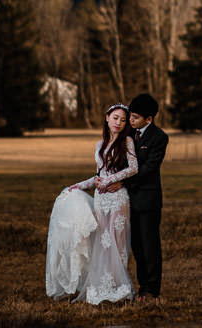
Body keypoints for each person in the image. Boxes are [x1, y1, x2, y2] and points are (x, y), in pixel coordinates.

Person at [66, 103, 138, 304]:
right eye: (115, 118)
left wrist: (109, 181)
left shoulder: (127, 142)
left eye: (123, 120)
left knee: (117, 242)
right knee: (102, 244)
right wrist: (80, 185)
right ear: (107, 118)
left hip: (118, 199)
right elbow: (99, 175)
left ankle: (119, 288)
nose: (119, 123)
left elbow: (133, 168)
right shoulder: (99, 145)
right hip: (101, 200)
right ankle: (100, 287)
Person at [107, 92, 168, 299]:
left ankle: (151, 289)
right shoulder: (127, 134)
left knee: (149, 246)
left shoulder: (159, 137)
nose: (130, 120)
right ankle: (140, 286)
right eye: (129, 116)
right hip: (126, 200)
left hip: (148, 200)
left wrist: (123, 181)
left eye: (134, 118)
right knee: (136, 247)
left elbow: (149, 168)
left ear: (148, 119)